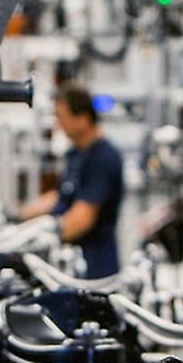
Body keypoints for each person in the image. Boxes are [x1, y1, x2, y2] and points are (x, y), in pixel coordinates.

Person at [20, 85, 126, 278]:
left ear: (83, 119)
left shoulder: (102, 158)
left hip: (91, 265)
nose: (58, 124)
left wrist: (37, 242)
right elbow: (61, 196)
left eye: (61, 117)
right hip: (69, 259)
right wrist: (19, 218)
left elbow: (83, 217)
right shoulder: (76, 153)